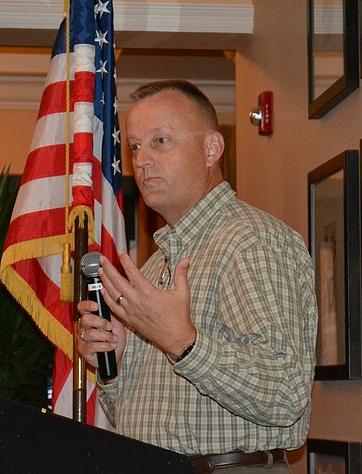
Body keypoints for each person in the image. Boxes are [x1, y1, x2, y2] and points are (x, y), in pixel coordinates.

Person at [77, 80, 317, 473]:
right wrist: (115, 366)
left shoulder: (250, 241)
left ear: (211, 149)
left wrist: (183, 342)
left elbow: (285, 396)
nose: (142, 161)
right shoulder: (155, 268)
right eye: (135, 146)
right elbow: (135, 417)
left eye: (161, 142)